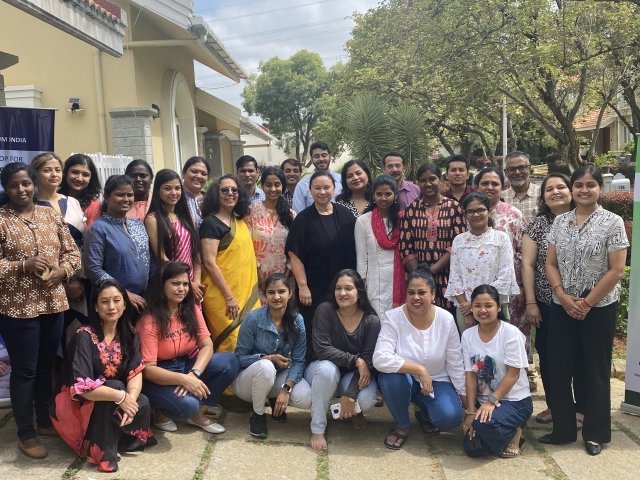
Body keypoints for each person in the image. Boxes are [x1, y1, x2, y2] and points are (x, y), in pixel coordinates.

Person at [540, 166, 628, 456]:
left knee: (595, 370)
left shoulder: (612, 222)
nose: (584, 190)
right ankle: (563, 431)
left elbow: (616, 270)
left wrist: (587, 302)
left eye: (590, 185)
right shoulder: (561, 222)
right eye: (578, 185)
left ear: (599, 188)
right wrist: (563, 297)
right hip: (562, 306)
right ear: (572, 188)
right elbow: (550, 264)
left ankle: (595, 433)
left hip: (599, 308)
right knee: (559, 368)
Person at [0, 162, 81, 459]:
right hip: (18, 309)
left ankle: (44, 420)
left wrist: (63, 272)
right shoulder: (1, 219)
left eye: (25, 184)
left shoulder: (49, 214)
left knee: (47, 366)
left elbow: (73, 251)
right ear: (5, 189)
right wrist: (23, 265)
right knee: (26, 371)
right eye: (13, 185)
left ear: (33, 184)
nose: (21, 190)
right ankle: (26, 433)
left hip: (53, 303)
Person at [51, 280, 155, 473]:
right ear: (96, 308)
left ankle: (112, 441)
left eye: (117, 300)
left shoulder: (129, 334)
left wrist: (130, 399)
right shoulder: (83, 336)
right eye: (105, 302)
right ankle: (103, 453)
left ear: (125, 305)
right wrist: (121, 397)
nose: (111, 307)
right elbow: (82, 388)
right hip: (78, 405)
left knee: (143, 402)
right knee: (115, 387)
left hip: (113, 398)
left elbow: (135, 371)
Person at [136, 262, 240, 434]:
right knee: (187, 405)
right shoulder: (149, 320)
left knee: (230, 361)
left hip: (186, 365)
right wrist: (183, 380)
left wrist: (194, 374)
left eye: (185, 284)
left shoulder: (190, 309)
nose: (182, 289)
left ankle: (198, 415)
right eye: (175, 283)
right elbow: (148, 370)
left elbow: (207, 345)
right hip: (159, 375)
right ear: (161, 285)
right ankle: (160, 410)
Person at [373, 266, 466, 450]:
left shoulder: (446, 320)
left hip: (437, 380)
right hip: (404, 380)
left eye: (421, 292)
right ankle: (402, 425)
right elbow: (379, 358)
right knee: (391, 378)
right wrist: (419, 369)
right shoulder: (393, 318)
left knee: (451, 418)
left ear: (432, 294)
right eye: (411, 293)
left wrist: (468, 407)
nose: (416, 297)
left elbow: (455, 362)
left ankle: (423, 410)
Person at [522, 173, 584, 426]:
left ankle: (580, 408)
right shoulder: (538, 225)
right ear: (544, 197)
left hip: (582, 303)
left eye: (561, 187)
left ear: (571, 191)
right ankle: (554, 405)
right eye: (550, 189)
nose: (556, 192)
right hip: (547, 303)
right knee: (548, 355)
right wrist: (531, 302)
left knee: (580, 356)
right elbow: (527, 264)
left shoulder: (586, 220)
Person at [305, 270, 381, 451]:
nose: (342, 293)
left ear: (359, 292)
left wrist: (351, 395)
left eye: (348, 288)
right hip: (321, 370)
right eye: (338, 288)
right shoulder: (325, 310)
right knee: (327, 370)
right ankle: (317, 428)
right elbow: (322, 349)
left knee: (368, 398)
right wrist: (356, 360)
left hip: (351, 377)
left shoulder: (372, 321)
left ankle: (350, 409)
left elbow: (368, 362)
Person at [286, 171, 357, 355]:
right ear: (310, 191)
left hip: (344, 286)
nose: (322, 192)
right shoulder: (303, 219)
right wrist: (302, 286)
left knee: (343, 325)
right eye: (317, 188)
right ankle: (314, 367)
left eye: (327, 187)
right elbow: (294, 255)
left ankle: (344, 363)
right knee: (315, 329)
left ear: (334, 189)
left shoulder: (346, 215)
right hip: (314, 288)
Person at [474, 167, 533, 387]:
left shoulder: (514, 215)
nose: (490, 187)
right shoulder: (469, 213)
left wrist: (523, 287)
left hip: (510, 290)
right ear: (477, 186)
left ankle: (517, 386)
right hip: (477, 292)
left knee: (512, 337)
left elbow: (524, 254)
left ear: (502, 186)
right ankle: (484, 386)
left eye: (495, 183)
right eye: (484, 183)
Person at [233, 273, 310, 438]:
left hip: (277, 376)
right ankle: (258, 414)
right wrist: (267, 358)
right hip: (248, 381)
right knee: (266, 367)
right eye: (271, 292)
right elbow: (239, 358)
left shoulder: (297, 320)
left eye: (281, 291)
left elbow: (298, 360)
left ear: (290, 293)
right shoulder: (253, 319)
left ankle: (275, 399)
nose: (276, 297)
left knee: (306, 397)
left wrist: (286, 390)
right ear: (264, 295)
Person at [461, 285, 533, 458]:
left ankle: (516, 432)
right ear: (471, 308)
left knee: (484, 425)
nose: (483, 310)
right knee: (472, 448)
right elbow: (470, 375)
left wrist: (491, 401)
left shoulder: (510, 333)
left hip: (514, 401)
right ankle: (497, 432)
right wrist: (470, 411)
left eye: (488, 305)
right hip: (482, 402)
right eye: (477, 305)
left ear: (499, 307)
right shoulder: (468, 335)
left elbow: (513, 374)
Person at [200, 174, 260, 352]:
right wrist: (229, 297)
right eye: (224, 190)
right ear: (215, 194)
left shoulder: (239, 221)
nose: (230, 194)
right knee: (232, 341)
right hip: (222, 295)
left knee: (250, 339)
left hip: (245, 292)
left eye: (234, 190)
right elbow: (209, 263)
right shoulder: (210, 223)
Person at [445, 193, 520, 332]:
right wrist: (467, 308)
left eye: (480, 210)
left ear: (489, 211)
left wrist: (476, 304)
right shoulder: (459, 241)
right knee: (468, 349)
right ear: (465, 215)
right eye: (471, 211)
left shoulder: (501, 238)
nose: (476, 214)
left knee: (496, 348)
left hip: (494, 306)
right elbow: (455, 277)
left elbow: (506, 275)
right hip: (465, 310)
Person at [32, 153, 88, 332]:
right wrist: (61, 281)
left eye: (57, 170)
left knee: (78, 333)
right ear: (35, 173)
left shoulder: (73, 202)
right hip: (47, 282)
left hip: (78, 276)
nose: (54, 174)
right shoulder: (30, 206)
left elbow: (83, 241)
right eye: (47, 170)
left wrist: (77, 280)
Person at [400, 163, 466, 314]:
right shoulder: (411, 210)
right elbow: (405, 246)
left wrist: (433, 270)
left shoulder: (454, 208)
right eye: (423, 180)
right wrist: (419, 274)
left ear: (440, 180)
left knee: (447, 320)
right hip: (418, 279)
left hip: (448, 277)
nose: (428, 184)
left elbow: (457, 244)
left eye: (432, 179)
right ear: (417, 183)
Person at [83, 175, 150, 312]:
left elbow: (149, 260)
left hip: (143, 300)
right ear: (107, 197)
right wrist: (123, 294)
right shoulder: (98, 229)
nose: (126, 199)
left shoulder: (138, 225)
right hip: (113, 304)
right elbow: (93, 270)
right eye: (120, 195)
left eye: (129, 195)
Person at [145, 169, 202, 301]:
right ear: (158, 191)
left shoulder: (187, 218)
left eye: (177, 188)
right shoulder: (153, 219)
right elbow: (162, 256)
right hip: (172, 283)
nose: (174, 193)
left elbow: (196, 252)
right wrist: (185, 281)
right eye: (167, 188)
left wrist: (196, 282)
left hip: (192, 283)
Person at [355, 175, 405, 321]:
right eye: (379, 194)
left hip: (399, 279)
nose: (383, 198)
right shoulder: (363, 221)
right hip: (374, 281)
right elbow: (361, 257)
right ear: (373, 196)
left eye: (388, 194)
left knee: (398, 320)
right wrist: (361, 285)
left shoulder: (403, 219)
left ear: (395, 195)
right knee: (377, 320)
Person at [245, 167, 295, 283]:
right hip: (256, 276)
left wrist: (285, 276)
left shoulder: (291, 215)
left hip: (284, 278)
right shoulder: (251, 212)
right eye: (268, 185)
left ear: (283, 186)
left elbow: (294, 250)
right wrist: (259, 276)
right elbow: (247, 246)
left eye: (277, 184)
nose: (273, 189)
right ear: (262, 186)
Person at [292, 142, 342, 212]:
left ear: (330, 157)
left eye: (324, 155)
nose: (321, 159)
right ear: (312, 160)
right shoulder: (302, 185)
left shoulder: (342, 180)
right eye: (316, 156)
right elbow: (298, 215)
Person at [60, 153, 102, 227]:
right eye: (75, 172)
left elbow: (91, 235)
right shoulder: (55, 198)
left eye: (85, 175)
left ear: (91, 178)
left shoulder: (93, 205)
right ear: (65, 173)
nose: (79, 178)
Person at [502, 151, 540, 222]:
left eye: (522, 167)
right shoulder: (501, 198)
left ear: (529, 169)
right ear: (506, 172)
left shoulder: (542, 194)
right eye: (512, 169)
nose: (517, 172)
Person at [182, 156, 210, 229]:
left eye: (204, 174)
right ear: (184, 173)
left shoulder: (210, 199)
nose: (199, 176)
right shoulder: (175, 198)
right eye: (194, 171)